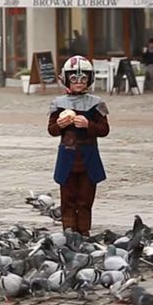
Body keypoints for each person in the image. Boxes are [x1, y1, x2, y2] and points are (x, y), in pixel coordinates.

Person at [47, 55, 110, 236]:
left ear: (90, 79)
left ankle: (84, 231)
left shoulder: (96, 103)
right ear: (66, 79)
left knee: (85, 198)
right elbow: (51, 130)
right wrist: (60, 124)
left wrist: (89, 125)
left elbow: (104, 129)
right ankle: (69, 231)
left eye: (83, 78)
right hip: (67, 157)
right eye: (74, 78)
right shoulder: (58, 104)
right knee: (67, 198)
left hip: (88, 157)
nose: (79, 82)